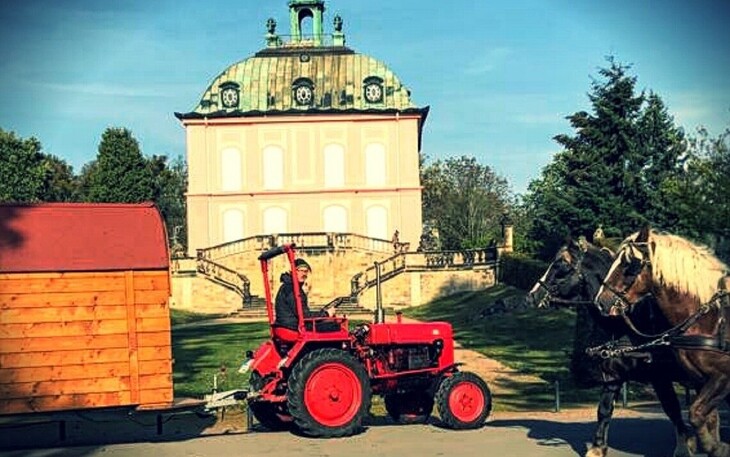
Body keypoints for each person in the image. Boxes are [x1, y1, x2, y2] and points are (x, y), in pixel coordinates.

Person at [273, 258, 337, 332]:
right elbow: (303, 315)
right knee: (334, 326)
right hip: (292, 326)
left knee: (326, 323)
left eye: (306, 271)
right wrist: (326, 314)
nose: (304, 274)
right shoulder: (291, 289)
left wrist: (322, 314)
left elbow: (302, 312)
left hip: (289, 324)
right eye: (301, 271)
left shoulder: (291, 286)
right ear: (293, 271)